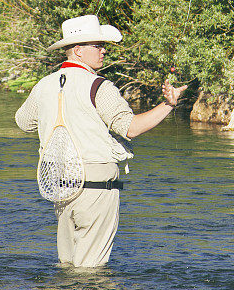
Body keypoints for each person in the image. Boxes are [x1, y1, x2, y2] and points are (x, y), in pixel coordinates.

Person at [15, 14, 186, 268]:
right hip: (96, 190)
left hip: (61, 190)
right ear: (78, 50)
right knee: (90, 274)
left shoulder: (44, 85)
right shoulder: (100, 86)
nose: (103, 50)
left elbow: (23, 122)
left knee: (67, 267)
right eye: (97, 45)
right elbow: (131, 129)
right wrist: (168, 104)